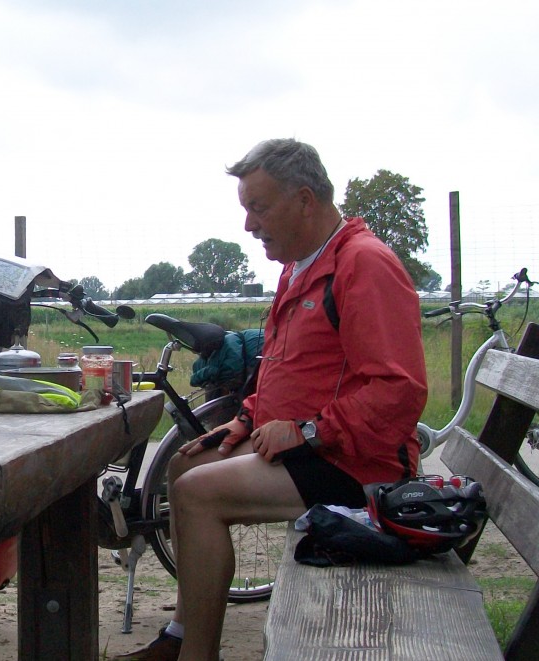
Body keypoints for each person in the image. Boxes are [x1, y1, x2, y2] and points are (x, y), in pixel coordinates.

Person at [116, 139, 428, 661]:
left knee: (197, 495)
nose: (248, 226)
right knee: (183, 465)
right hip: (312, 448)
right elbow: (285, 370)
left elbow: (399, 390)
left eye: (257, 208)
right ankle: (179, 636)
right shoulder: (301, 266)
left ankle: (198, 656)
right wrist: (245, 418)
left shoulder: (364, 265)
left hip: (357, 464)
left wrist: (309, 431)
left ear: (305, 199)